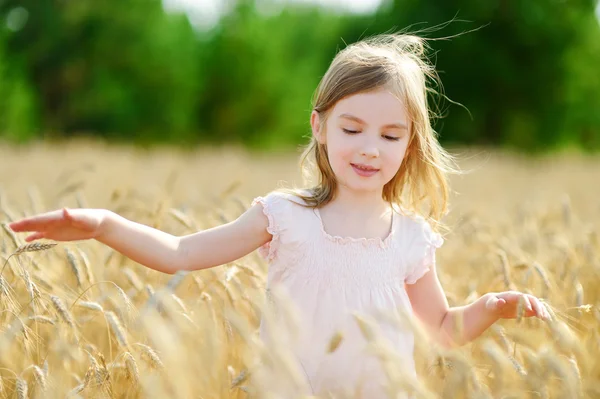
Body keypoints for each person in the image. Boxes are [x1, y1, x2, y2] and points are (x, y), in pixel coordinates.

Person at [8, 33, 549, 398]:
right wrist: (103, 224)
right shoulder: (286, 216)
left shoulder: (410, 238)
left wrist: (492, 307)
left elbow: (441, 330)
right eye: (351, 128)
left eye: (390, 135)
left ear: (410, 145)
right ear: (320, 126)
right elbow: (182, 253)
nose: (369, 148)